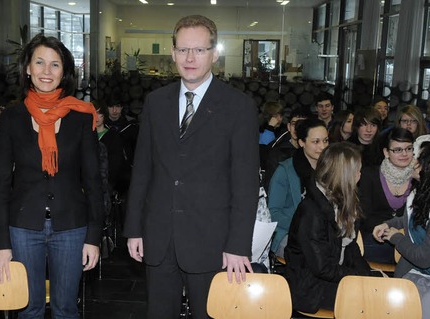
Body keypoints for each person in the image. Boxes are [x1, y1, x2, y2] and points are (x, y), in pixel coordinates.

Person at [124, 15, 259, 319]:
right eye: (183, 50)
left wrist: (238, 245)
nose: (189, 58)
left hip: (211, 240)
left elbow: (245, 183)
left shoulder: (238, 107)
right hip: (159, 237)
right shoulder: (156, 102)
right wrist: (134, 229)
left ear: (214, 53)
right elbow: (142, 169)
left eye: (199, 50)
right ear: (172, 53)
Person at [0, 33, 104, 319]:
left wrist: (94, 236)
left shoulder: (81, 117)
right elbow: (1, 183)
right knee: (29, 309)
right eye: (39, 62)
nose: (46, 71)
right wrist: (1, 242)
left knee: (66, 309)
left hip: (71, 227)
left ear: (64, 72)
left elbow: (93, 181)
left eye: (55, 65)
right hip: (23, 227)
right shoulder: (11, 118)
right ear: (28, 68)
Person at [284, 142, 371, 313]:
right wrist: (359, 279)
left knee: (378, 290)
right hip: (310, 287)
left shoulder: (346, 202)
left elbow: (350, 247)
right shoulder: (312, 211)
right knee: (369, 300)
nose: (360, 175)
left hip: (334, 276)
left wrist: (367, 276)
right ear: (344, 176)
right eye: (357, 171)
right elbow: (321, 267)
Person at [373, 142, 430, 319]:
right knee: (394, 299)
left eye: (419, 158)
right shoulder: (423, 192)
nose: (413, 161)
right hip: (417, 271)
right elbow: (411, 220)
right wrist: (389, 224)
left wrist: (396, 238)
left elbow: (423, 258)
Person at [268, 118, 329, 257]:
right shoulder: (285, 171)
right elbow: (273, 211)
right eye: (316, 142)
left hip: (324, 232)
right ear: (301, 142)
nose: (322, 147)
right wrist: (305, 227)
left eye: (325, 140)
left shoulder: (331, 169)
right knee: (312, 255)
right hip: (289, 231)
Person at [359, 127, 414, 264]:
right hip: (376, 237)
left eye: (409, 148)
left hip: (408, 238)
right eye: (397, 150)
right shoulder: (369, 175)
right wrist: (386, 230)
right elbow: (363, 214)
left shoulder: (419, 177)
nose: (404, 154)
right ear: (386, 152)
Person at [264, 107, 312, 192]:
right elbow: (271, 186)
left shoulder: (316, 151)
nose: (297, 128)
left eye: (302, 124)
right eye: (294, 124)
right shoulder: (276, 152)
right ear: (289, 127)